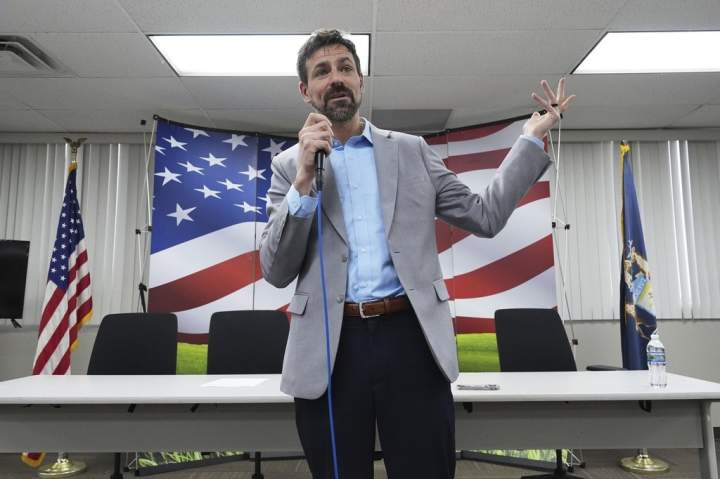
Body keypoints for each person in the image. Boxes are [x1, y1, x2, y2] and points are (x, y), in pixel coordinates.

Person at [259, 29, 575, 479]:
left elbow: (484, 216)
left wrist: (528, 140)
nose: (336, 78)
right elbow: (275, 270)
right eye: (322, 72)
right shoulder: (289, 167)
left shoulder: (411, 151)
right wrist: (304, 181)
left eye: (345, 68)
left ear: (361, 80)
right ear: (305, 91)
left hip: (411, 338)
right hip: (330, 348)